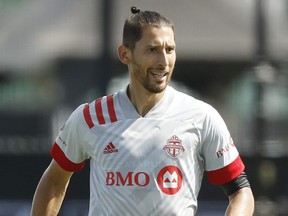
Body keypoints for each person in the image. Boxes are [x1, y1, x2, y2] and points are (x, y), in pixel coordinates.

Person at [31, 6, 254, 216]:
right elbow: (54, 181)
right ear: (125, 54)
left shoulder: (201, 116)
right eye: (152, 50)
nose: (163, 61)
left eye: (170, 50)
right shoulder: (90, 117)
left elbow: (241, 191)